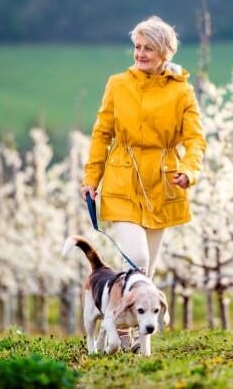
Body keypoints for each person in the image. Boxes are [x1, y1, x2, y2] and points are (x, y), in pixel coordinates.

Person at [80, 15, 206, 281]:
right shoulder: (118, 84)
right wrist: (91, 179)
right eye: (137, 46)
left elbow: (195, 139)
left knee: (145, 272)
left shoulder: (183, 92)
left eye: (148, 48)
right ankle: (119, 320)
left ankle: (122, 323)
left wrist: (189, 171)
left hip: (163, 185)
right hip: (122, 181)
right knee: (137, 259)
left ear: (164, 53)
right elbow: (102, 134)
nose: (140, 53)